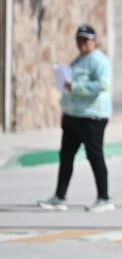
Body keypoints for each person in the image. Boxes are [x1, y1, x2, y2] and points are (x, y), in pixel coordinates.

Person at [38, 24, 114, 212]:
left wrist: (76, 87)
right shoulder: (79, 60)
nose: (81, 43)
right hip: (73, 116)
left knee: (95, 156)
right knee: (66, 156)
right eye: (79, 39)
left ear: (94, 41)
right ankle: (60, 196)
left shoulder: (99, 61)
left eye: (85, 40)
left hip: (92, 116)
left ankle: (104, 198)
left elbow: (103, 85)